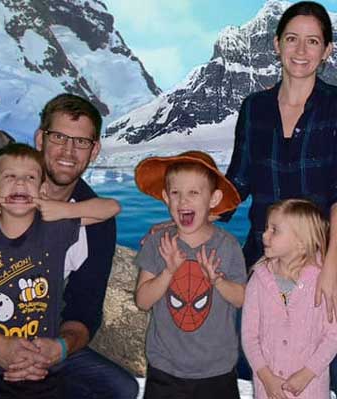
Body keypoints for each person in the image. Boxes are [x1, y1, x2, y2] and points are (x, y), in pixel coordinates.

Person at [0, 94, 139, 398]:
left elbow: (85, 307)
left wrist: (57, 348)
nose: (68, 151)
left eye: (81, 142)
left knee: (119, 388)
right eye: (59, 137)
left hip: (34, 333)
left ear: (94, 150)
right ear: (40, 138)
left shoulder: (88, 216)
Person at [225, 1, 337, 323]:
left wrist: (330, 268)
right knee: (249, 360)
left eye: (313, 41)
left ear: (327, 50)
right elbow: (239, 182)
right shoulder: (253, 108)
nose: (301, 50)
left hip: (320, 260)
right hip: (263, 258)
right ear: (277, 43)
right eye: (292, 39)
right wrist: (185, 215)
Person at [134, 151, 246, 399]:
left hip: (217, 370)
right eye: (175, 193)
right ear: (166, 197)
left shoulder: (228, 245)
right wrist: (169, 271)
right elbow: (142, 301)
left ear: (214, 198)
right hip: (165, 370)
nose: (183, 201)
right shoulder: (156, 243)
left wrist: (217, 280)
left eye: (194, 192)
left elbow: (241, 299)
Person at [242, 199, 337, 399]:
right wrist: (266, 377)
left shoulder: (323, 282)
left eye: (274, 230)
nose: (264, 235)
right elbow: (249, 337)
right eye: (266, 228)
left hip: (311, 390)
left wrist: (307, 373)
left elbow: (333, 336)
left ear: (301, 243)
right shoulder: (258, 279)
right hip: (267, 391)